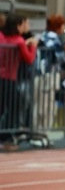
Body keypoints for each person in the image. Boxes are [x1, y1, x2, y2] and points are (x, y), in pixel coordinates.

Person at [0, 14, 39, 149]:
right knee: (15, 108)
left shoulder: (2, 37)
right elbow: (29, 59)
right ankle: (6, 137)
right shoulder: (19, 40)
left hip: (1, 78)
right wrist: (32, 46)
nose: (27, 27)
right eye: (26, 24)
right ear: (18, 25)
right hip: (10, 79)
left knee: (2, 108)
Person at [34, 15, 65, 131]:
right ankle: (42, 133)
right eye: (63, 25)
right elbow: (60, 58)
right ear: (57, 27)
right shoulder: (54, 38)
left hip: (38, 75)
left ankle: (36, 132)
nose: (64, 28)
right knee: (46, 106)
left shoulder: (42, 36)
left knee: (38, 105)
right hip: (47, 76)